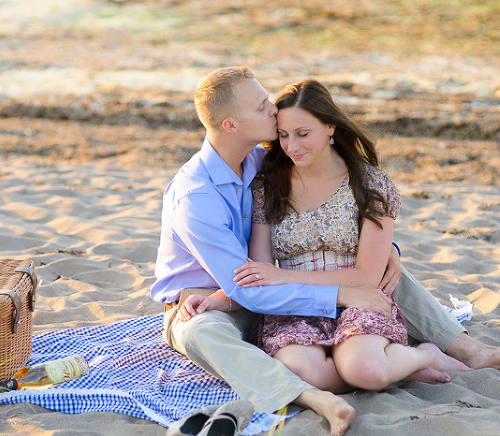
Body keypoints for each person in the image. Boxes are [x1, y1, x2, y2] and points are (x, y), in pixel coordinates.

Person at [150, 66, 500, 436]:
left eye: (268, 99)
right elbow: (248, 285)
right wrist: (340, 291)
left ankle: (470, 351)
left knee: (382, 274)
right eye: (261, 106)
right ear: (230, 125)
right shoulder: (195, 196)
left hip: (260, 289)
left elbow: (309, 244)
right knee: (201, 333)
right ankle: (307, 395)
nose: (273, 110)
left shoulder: (259, 160)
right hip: (207, 302)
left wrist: (388, 249)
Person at [179, 79, 471, 393]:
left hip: (358, 298)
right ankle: (401, 367)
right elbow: (259, 274)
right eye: (284, 135)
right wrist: (217, 301)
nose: (292, 147)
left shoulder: (370, 182)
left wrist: (282, 275)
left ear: (331, 127)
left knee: (365, 370)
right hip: (294, 307)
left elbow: (366, 276)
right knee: (304, 373)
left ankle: (423, 355)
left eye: (303, 134)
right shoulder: (268, 184)